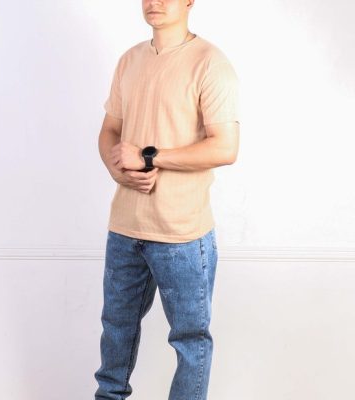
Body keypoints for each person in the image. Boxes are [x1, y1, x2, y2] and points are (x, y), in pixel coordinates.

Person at [94, 0, 240, 398]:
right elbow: (109, 131)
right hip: (125, 227)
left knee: (190, 341)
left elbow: (225, 147)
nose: (154, 2)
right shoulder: (129, 60)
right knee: (116, 331)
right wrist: (117, 169)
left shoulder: (210, 63)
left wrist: (149, 156)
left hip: (181, 233)